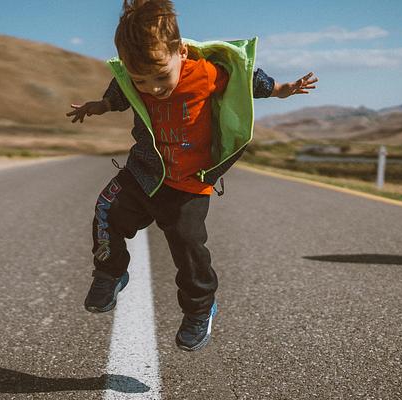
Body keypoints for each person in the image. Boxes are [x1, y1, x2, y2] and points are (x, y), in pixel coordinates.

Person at [66, 0, 317, 352]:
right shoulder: (135, 77)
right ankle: (110, 272)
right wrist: (102, 105)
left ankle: (200, 309)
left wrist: (280, 89)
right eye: (141, 80)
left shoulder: (205, 73)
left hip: (188, 183)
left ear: (181, 52)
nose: (153, 88)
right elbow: (122, 87)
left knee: (188, 249)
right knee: (107, 209)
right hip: (144, 170)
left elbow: (245, 78)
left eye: (161, 77)